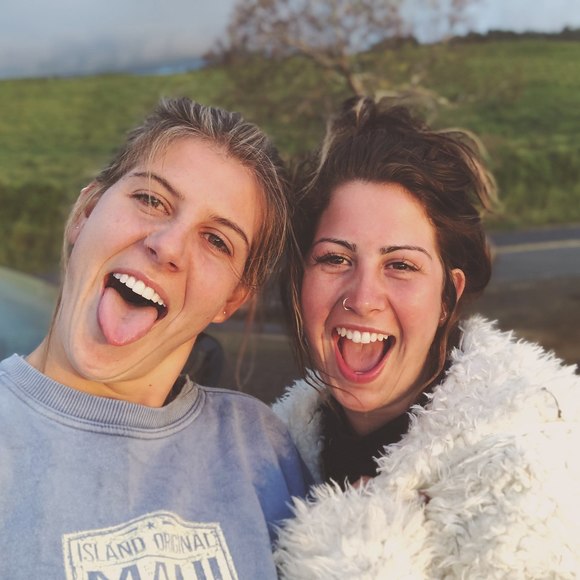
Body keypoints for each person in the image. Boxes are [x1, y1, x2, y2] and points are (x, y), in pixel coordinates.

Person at [0, 97, 310, 578]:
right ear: (85, 212)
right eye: (151, 200)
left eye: (216, 240)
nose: (167, 246)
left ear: (232, 300)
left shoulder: (264, 450)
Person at [272, 96, 580, 578]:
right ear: (300, 280)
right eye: (335, 258)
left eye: (401, 265)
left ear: (447, 299)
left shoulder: (529, 475)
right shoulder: (268, 454)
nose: (363, 297)